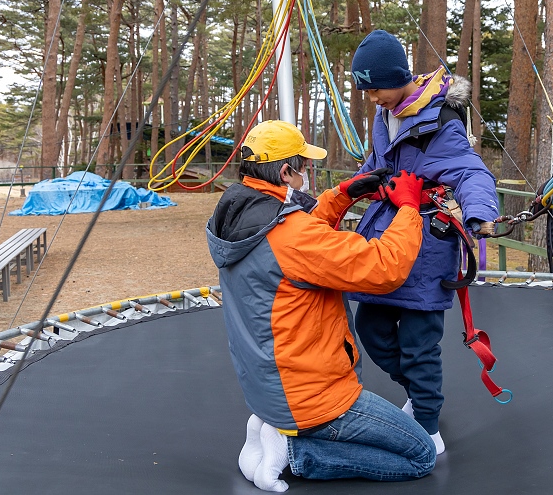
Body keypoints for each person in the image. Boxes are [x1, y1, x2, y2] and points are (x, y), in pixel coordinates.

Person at [206, 119, 436, 492]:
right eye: (302, 167)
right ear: (285, 171)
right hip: (311, 397)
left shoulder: (237, 215)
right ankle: (296, 450)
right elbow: (383, 267)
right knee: (421, 454)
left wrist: (343, 195)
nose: (306, 174)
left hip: (270, 388)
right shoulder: (292, 235)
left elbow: (295, 245)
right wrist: (409, 208)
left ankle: (266, 428)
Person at [347, 30, 500, 455]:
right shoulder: (386, 114)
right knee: (371, 330)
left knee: (418, 343)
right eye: (366, 89)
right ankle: (418, 391)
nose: (371, 97)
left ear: (396, 77)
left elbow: (471, 172)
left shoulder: (441, 122)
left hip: (426, 247)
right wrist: (354, 189)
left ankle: (428, 425)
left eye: (374, 87)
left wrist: (480, 214)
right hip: (385, 238)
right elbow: (379, 163)